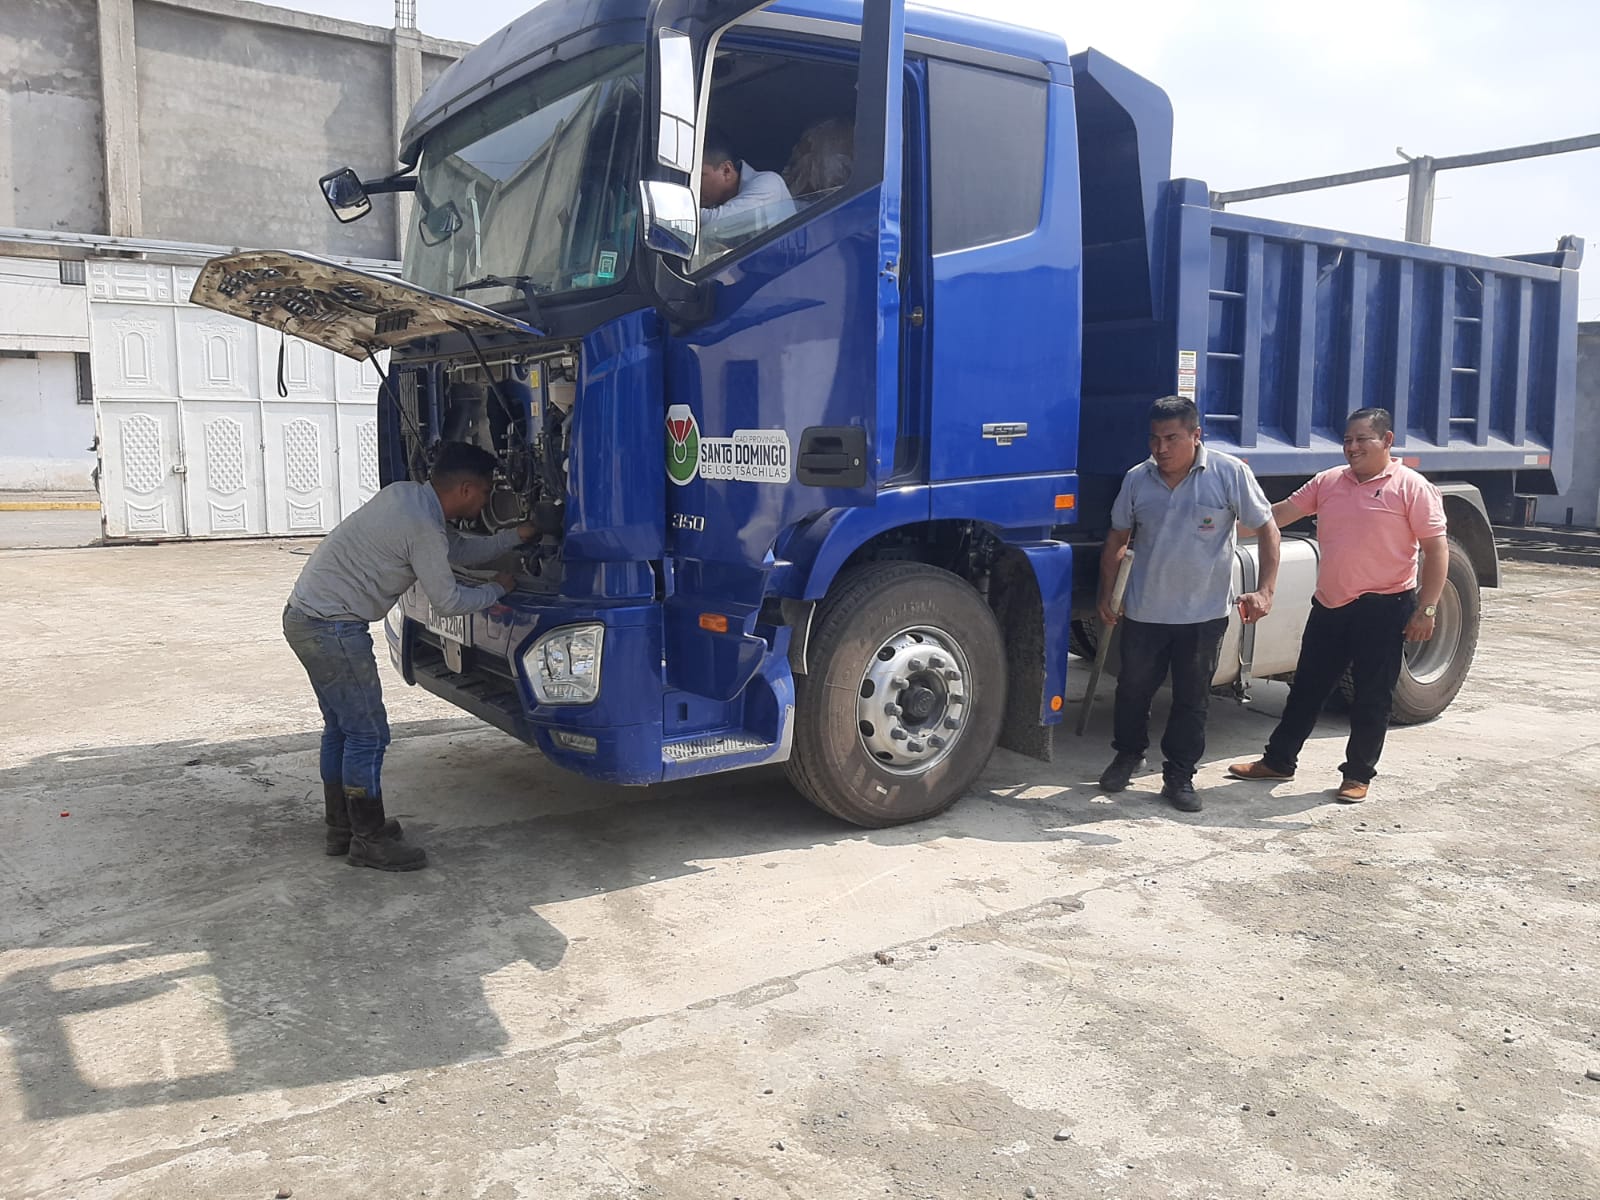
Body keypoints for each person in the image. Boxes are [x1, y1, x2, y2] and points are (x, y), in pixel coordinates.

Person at [282, 442, 537, 871]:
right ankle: (368, 839)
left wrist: (517, 535)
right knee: (367, 735)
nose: (486, 502)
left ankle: (342, 828)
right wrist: (498, 589)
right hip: (332, 629)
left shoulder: (405, 497)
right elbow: (448, 602)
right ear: (466, 489)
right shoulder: (423, 527)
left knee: (342, 729)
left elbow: (456, 550)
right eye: (485, 492)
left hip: (304, 617)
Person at [1229, 408, 1447, 803]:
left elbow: (1436, 549)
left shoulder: (1412, 487)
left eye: (1362, 439)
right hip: (1331, 605)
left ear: (1387, 440)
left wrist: (1427, 608)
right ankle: (1278, 760)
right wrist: (1221, 531)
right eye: (1347, 440)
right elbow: (1279, 515)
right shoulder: (1329, 481)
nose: (1352, 447)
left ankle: (1358, 775)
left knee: (1372, 696)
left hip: (1384, 607)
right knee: (1306, 689)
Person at [1098, 395, 1280, 813]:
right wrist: (1108, 594)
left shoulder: (1228, 473)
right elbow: (1117, 539)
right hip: (1145, 610)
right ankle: (1127, 754)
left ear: (1196, 435)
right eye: (1154, 439)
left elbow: (1267, 528)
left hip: (1203, 614)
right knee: (1132, 690)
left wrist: (1266, 589)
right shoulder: (1137, 479)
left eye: (1171, 438)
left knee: (1191, 699)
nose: (1161, 449)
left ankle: (1179, 776)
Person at [699, 128, 797, 250]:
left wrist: (682, 208)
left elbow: (714, 223)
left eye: (700, 176)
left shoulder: (769, 183)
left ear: (726, 171)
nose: (696, 184)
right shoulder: (716, 204)